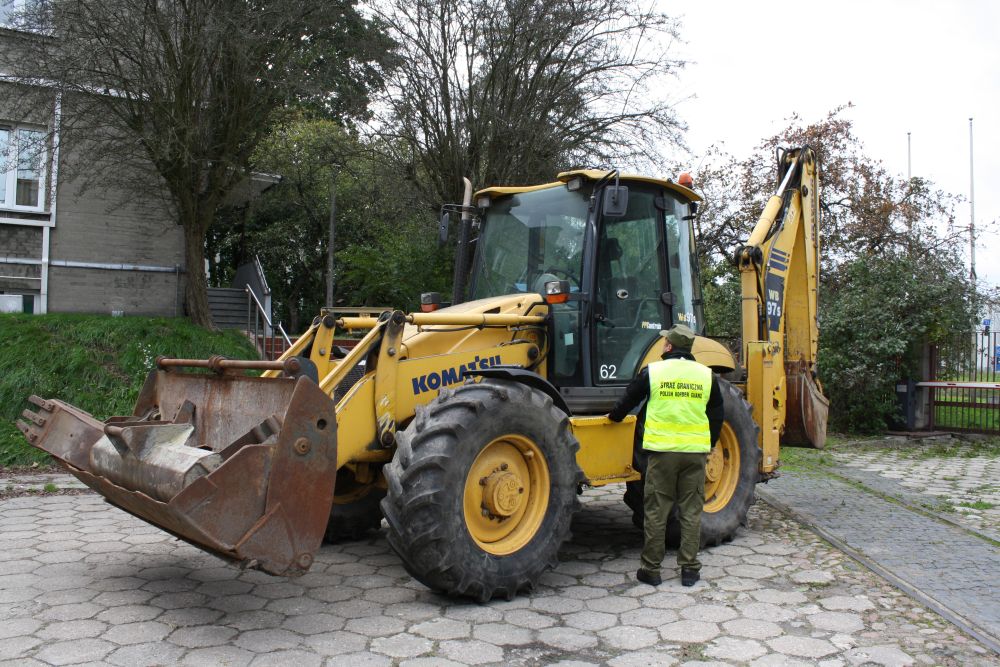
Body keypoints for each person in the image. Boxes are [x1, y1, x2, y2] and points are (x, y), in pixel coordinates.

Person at [608, 323, 724, 587]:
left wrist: (614, 417)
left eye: (664, 343)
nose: (662, 345)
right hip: (694, 454)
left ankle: (651, 569)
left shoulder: (654, 372)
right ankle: (690, 570)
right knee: (691, 511)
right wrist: (710, 442)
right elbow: (717, 413)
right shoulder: (706, 376)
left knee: (657, 510)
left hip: (662, 454)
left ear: (669, 346)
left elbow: (628, 399)